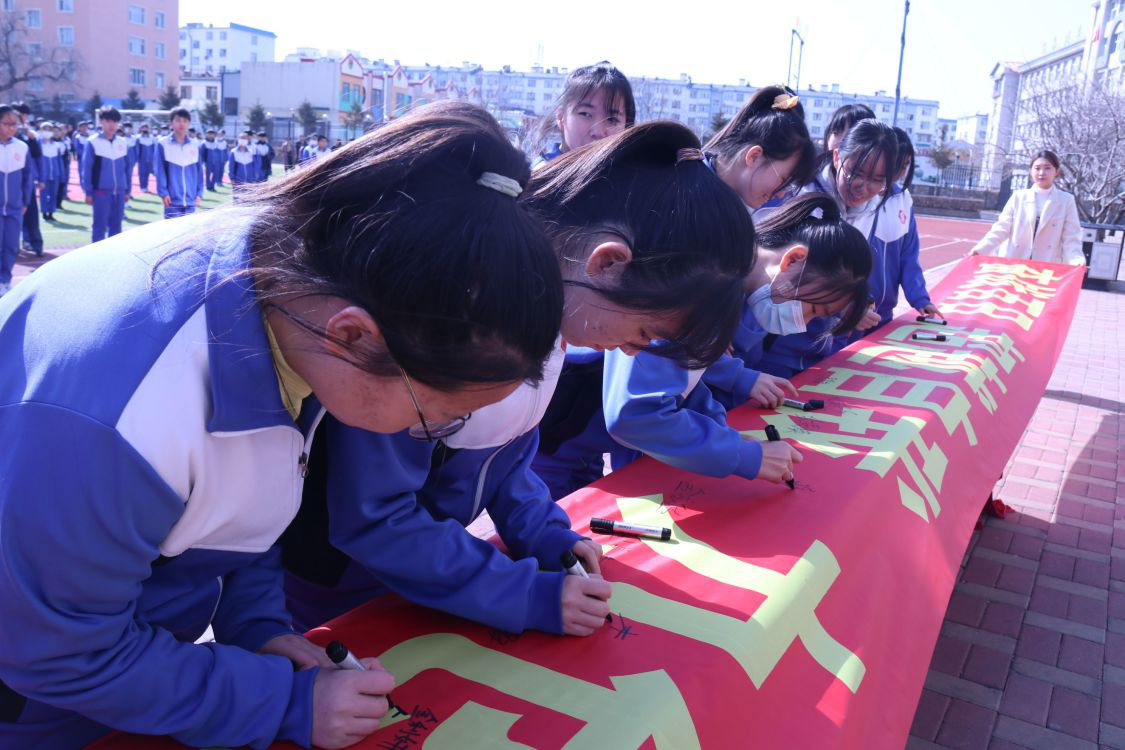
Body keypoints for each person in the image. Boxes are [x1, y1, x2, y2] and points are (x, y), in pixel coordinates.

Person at [0, 101, 563, 750]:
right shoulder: (123, 406)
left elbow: (247, 505)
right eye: (437, 414)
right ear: (353, 337)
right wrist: (277, 702)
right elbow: (54, 655)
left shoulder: (300, 294)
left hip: (129, 665)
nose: (444, 431)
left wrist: (259, 626)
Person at [284, 116, 759, 637]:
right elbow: (375, 517)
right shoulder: (456, 315)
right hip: (338, 595)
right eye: (645, 330)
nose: (632, 349)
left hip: (435, 582)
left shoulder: (550, 322)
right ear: (606, 264)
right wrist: (523, 592)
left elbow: (506, 459)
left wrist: (544, 533)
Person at [757, 119, 901, 378]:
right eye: (856, 173)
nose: (863, 187)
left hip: (822, 343)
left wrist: (852, 306)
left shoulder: (870, 209)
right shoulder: (803, 201)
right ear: (837, 157)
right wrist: (841, 307)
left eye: (877, 180)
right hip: (777, 347)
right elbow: (781, 285)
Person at [704, 85, 817, 211]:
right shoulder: (690, 194)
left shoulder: (724, 201)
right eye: (783, 180)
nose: (782, 194)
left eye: (789, 186)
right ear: (754, 156)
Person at [969, 149, 1085, 266]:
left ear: (1057, 171)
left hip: (1046, 264)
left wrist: (1076, 260)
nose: (1041, 172)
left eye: (1047, 168)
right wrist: (980, 249)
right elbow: (1001, 229)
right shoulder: (1018, 197)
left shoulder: (1066, 200)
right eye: (1037, 168)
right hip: (1013, 261)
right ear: (1030, 171)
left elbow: (1071, 236)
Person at [527, 61, 635, 167]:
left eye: (612, 120)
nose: (598, 132)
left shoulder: (629, 180)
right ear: (561, 117)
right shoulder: (540, 178)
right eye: (585, 114)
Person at [80, 106, 133, 243]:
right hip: (101, 193)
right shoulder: (92, 142)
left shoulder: (122, 143)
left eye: (115, 121)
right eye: (108, 121)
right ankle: (96, 260)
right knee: (99, 227)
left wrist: (127, 190)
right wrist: (88, 192)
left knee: (117, 229)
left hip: (120, 193)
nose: (112, 125)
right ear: (101, 122)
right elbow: (87, 169)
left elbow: (128, 169)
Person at [0, 104, 33, 297]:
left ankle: (5, 280)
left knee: (11, 245)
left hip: (14, 208)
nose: (12, 128)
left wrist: (25, 202)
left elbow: (28, 178)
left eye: (15, 124)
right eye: (7, 123)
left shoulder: (22, 147)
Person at [155, 107, 205, 219]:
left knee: (189, 235)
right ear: (171, 122)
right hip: (172, 201)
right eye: (178, 120)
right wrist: (163, 193)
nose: (181, 124)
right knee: (172, 234)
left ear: (189, 123)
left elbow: (199, 172)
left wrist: (200, 193)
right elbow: (160, 171)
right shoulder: (163, 144)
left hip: (191, 201)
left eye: (185, 121)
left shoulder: (195, 145)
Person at [12, 103, 43, 257]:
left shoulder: (29, 136)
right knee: (10, 217)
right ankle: (12, 247)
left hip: (27, 182)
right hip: (9, 183)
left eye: (23, 116)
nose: (22, 118)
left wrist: (32, 139)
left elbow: (37, 157)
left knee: (31, 214)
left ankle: (36, 244)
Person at [36, 122, 62, 222]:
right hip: (43, 174)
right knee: (43, 193)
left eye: (49, 130)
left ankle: (51, 213)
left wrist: (61, 174)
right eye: (45, 129)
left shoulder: (56, 145)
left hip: (55, 174)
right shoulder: (38, 145)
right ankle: (44, 213)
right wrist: (38, 176)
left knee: (53, 193)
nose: (47, 132)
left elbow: (59, 161)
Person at [136, 123, 156, 193]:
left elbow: (154, 149)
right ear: (141, 129)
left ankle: (146, 187)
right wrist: (138, 159)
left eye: (146, 127)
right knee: (142, 174)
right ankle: (142, 187)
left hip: (150, 159)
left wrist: (154, 159)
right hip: (142, 159)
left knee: (147, 174)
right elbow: (137, 149)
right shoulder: (138, 138)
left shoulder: (152, 138)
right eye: (143, 127)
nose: (145, 129)